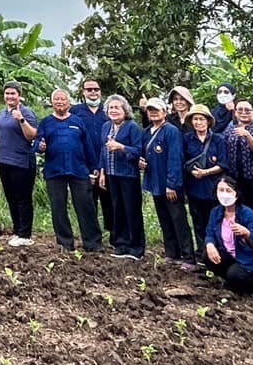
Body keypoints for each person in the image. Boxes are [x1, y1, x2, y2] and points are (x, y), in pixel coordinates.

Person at [35, 88, 102, 252]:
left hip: (78, 169)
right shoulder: (46, 122)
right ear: (52, 103)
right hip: (54, 171)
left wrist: (94, 167)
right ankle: (65, 243)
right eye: (56, 99)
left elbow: (87, 147)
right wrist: (40, 146)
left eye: (63, 99)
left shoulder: (78, 121)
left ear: (69, 102)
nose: (60, 102)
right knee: (58, 207)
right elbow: (37, 143)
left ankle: (93, 243)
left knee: (85, 206)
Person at [140, 96, 193, 268]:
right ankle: (172, 253)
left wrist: (172, 184)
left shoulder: (171, 131)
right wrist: (141, 163)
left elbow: (175, 158)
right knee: (164, 219)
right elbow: (144, 155)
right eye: (150, 110)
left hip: (170, 185)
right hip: (155, 183)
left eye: (157, 109)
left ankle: (188, 256)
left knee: (178, 219)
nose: (153, 113)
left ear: (165, 112)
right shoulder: (147, 132)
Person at [202, 176, 253, 293]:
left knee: (235, 275)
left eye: (228, 190)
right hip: (230, 255)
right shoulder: (216, 212)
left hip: (250, 259)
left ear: (236, 194)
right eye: (221, 190)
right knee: (207, 255)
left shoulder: (247, 213)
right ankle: (230, 280)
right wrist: (210, 244)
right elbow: (210, 232)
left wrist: (247, 233)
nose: (224, 194)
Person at [97, 94, 144, 260]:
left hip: (128, 174)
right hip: (111, 174)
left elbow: (139, 150)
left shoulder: (132, 127)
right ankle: (120, 244)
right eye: (111, 108)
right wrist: (102, 171)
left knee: (131, 210)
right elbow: (103, 151)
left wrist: (121, 147)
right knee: (117, 209)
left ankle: (136, 247)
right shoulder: (105, 127)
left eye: (117, 107)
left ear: (125, 110)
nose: (114, 111)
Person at [0, 82, 39, 247]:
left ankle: (25, 234)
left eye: (13, 93)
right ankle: (17, 231)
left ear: (19, 95)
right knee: (11, 198)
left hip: (22, 162)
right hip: (4, 161)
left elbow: (32, 136)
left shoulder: (26, 113)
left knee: (23, 199)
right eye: (7, 94)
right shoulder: (1, 114)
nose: (10, 96)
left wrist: (21, 119)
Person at [182, 104, 225, 263]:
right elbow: (182, 161)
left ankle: (218, 254)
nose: (198, 122)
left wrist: (206, 172)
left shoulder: (218, 139)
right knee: (198, 221)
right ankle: (201, 253)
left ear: (208, 121)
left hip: (213, 188)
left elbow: (223, 164)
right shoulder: (187, 139)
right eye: (195, 119)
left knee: (214, 222)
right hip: (194, 188)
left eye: (201, 119)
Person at [222, 99, 253, 229]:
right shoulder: (229, 130)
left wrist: (247, 135)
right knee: (241, 212)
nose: (243, 113)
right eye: (240, 110)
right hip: (236, 179)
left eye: (247, 110)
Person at [71, 77, 112, 234]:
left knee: (110, 202)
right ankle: (92, 237)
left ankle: (114, 236)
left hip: (107, 165)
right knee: (88, 203)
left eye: (96, 89)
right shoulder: (75, 112)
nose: (93, 92)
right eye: (89, 89)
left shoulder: (109, 110)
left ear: (100, 91)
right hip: (84, 165)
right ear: (83, 92)